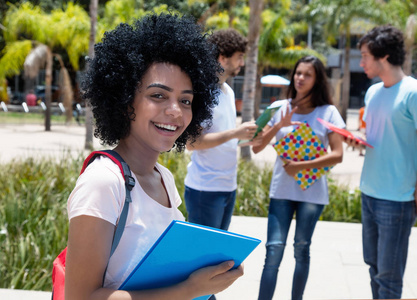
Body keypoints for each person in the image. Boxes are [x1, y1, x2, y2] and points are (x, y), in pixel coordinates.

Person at [65, 13, 243, 300]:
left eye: (186, 100)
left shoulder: (164, 177)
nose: (175, 110)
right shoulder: (103, 183)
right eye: (158, 95)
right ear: (124, 101)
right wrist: (189, 290)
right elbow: (81, 297)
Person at [253, 56, 345, 300]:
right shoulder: (278, 107)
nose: (300, 78)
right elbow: (255, 147)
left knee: (301, 250)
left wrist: (301, 166)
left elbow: (338, 155)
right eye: (298, 73)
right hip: (281, 191)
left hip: (312, 194)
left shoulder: (329, 112)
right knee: (273, 252)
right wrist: (277, 125)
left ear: (317, 80)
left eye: (307, 74)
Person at [353, 25, 417, 299]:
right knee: (373, 267)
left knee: (389, 278)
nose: (361, 62)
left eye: (365, 55)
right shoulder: (372, 93)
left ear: (383, 56)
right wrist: (358, 141)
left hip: (397, 198)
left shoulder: (412, 93)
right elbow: (375, 136)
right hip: (369, 191)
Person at [184, 28, 260, 232]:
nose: (242, 63)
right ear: (222, 58)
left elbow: (223, 137)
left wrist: (246, 138)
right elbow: (193, 143)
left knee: (217, 256)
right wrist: (235, 133)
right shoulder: (202, 93)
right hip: (205, 189)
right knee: (202, 257)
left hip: (228, 186)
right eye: (239, 58)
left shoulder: (227, 91)